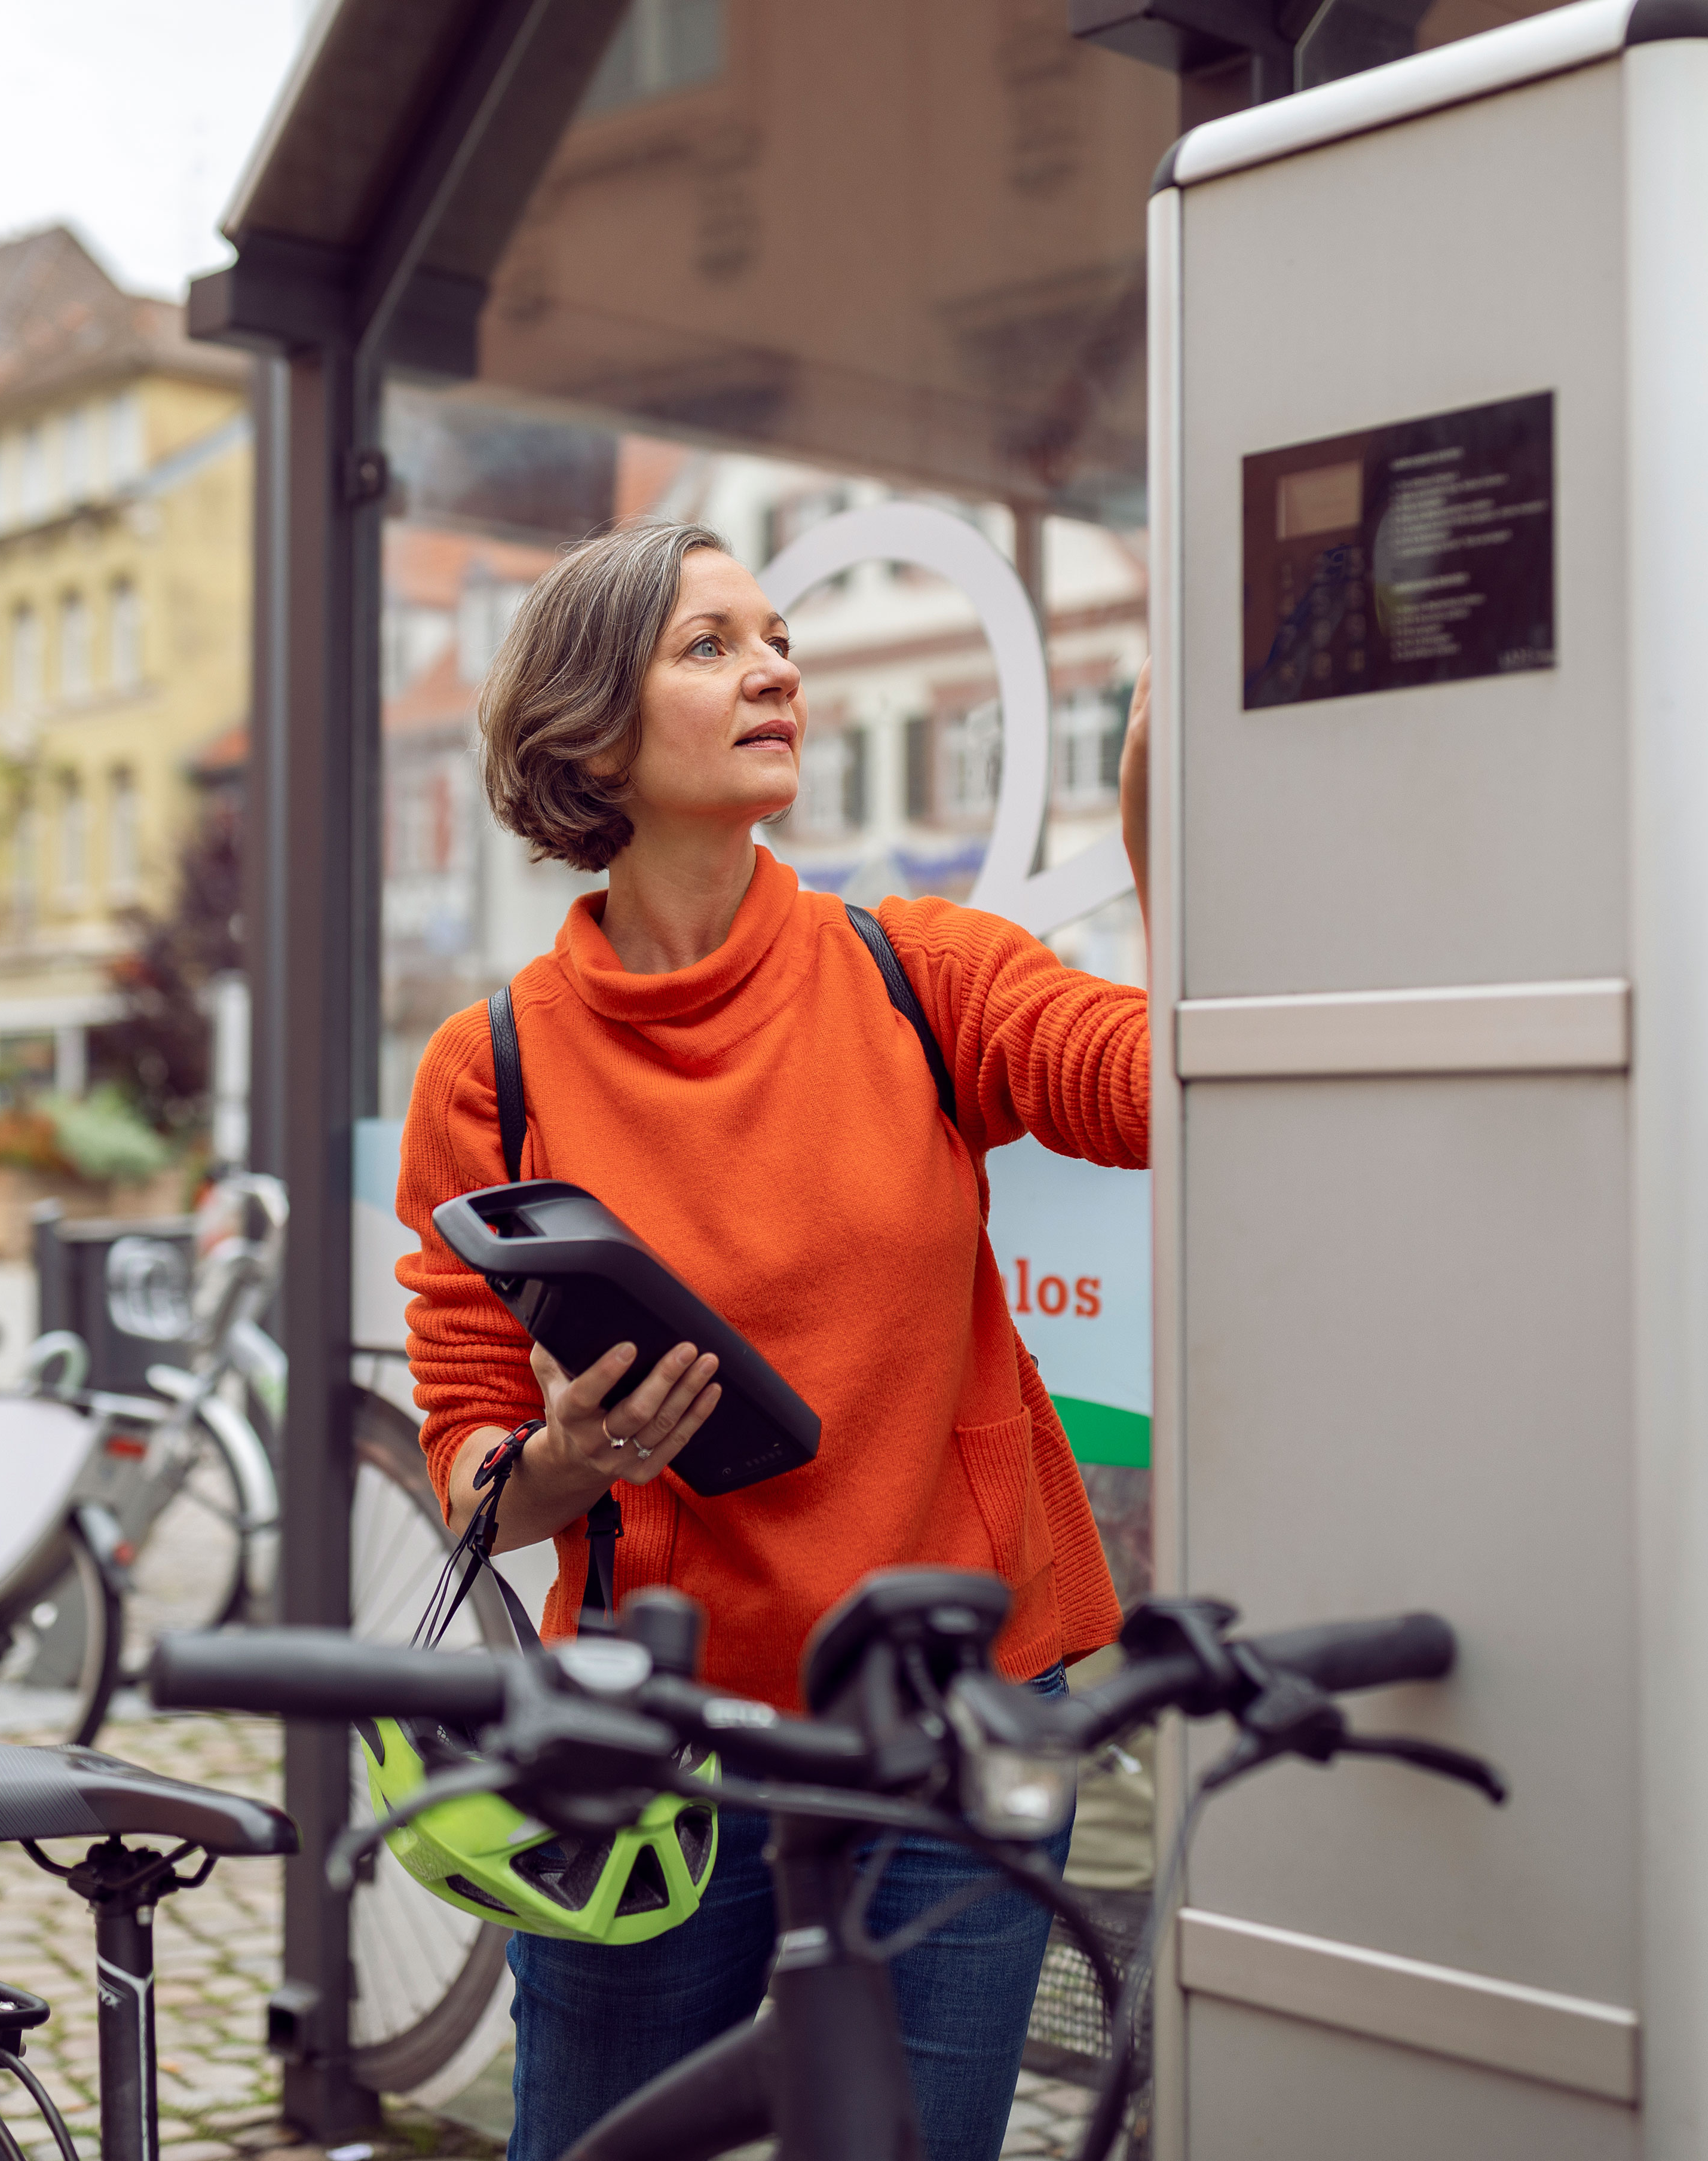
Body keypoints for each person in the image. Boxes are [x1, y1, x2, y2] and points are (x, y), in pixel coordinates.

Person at [394, 518, 1155, 2161]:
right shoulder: (493, 1069)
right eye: (712, 644)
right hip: (657, 1744)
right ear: (594, 732)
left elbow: (1153, 1088)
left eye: (778, 640)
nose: (777, 670)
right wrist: (565, 1462)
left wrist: (1175, 831)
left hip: (943, 1730)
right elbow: (464, 1447)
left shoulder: (919, 972)